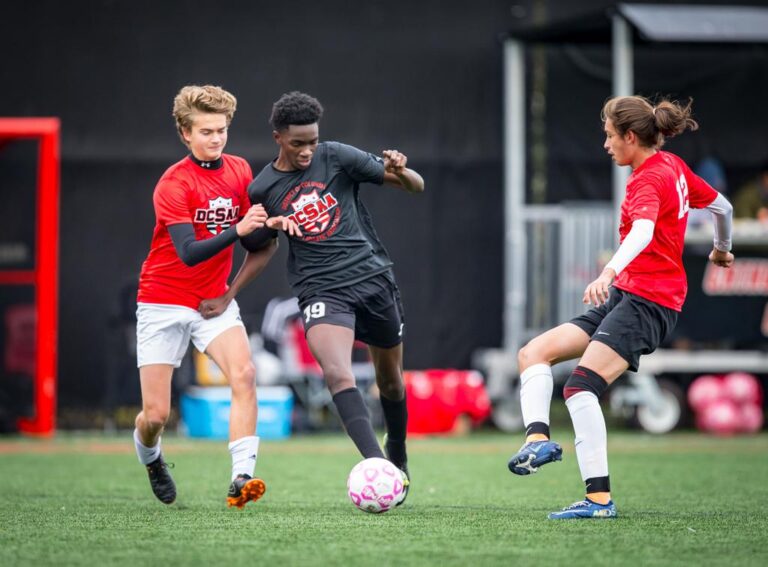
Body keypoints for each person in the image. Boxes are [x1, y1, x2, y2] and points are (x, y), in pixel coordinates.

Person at [507, 95, 734, 519]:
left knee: (579, 387)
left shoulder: (648, 178)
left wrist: (608, 270)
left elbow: (644, 230)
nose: (606, 144)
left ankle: (598, 502)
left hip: (650, 301)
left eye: (610, 136)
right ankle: (537, 439)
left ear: (631, 136)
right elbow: (724, 207)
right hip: (627, 296)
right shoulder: (675, 168)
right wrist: (722, 250)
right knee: (533, 353)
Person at [199, 91, 424, 502]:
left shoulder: (337, 156)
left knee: (390, 383)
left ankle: (398, 452)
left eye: (312, 141)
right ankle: (378, 466)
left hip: (373, 279)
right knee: (337, 373)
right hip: (320, 289)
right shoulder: (262, 187)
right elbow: (262, 247)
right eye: (297, 142)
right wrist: (229, 293)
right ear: (278, 138)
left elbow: (414, 186)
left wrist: (403, 170)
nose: (307, 151)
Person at [133, 85, 299, 508]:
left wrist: (270, 225)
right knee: (154, 416)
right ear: (185, 134)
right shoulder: (173, 183)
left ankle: (241, 476)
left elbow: (258, 242)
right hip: (163, 299)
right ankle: (152, 457)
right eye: (206, 131)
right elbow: (189, 253)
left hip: (212, 301)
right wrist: (239, 229)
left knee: (244, 375)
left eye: (222, 130)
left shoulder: (240, 170)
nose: (216, 138)